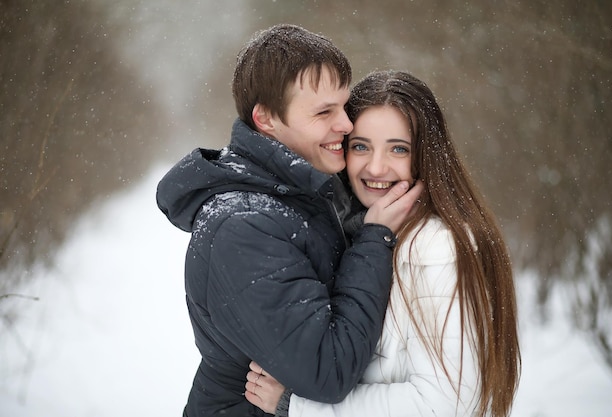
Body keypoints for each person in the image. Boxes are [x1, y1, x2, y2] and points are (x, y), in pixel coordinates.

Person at [156, 26, 422, 417]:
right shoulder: (244, 227)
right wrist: (374, 238)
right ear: (266, 119)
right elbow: (326, 372)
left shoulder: (309, 194)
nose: (347, 126)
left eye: (344, 107)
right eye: (323, 112)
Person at [245, 70, 521, 417]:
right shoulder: (364, 234)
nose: (375, 167)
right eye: (361, 146)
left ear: (425, 157)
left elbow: (445, 402)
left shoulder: (432, 247)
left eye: (398, 149)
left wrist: (297, 406)